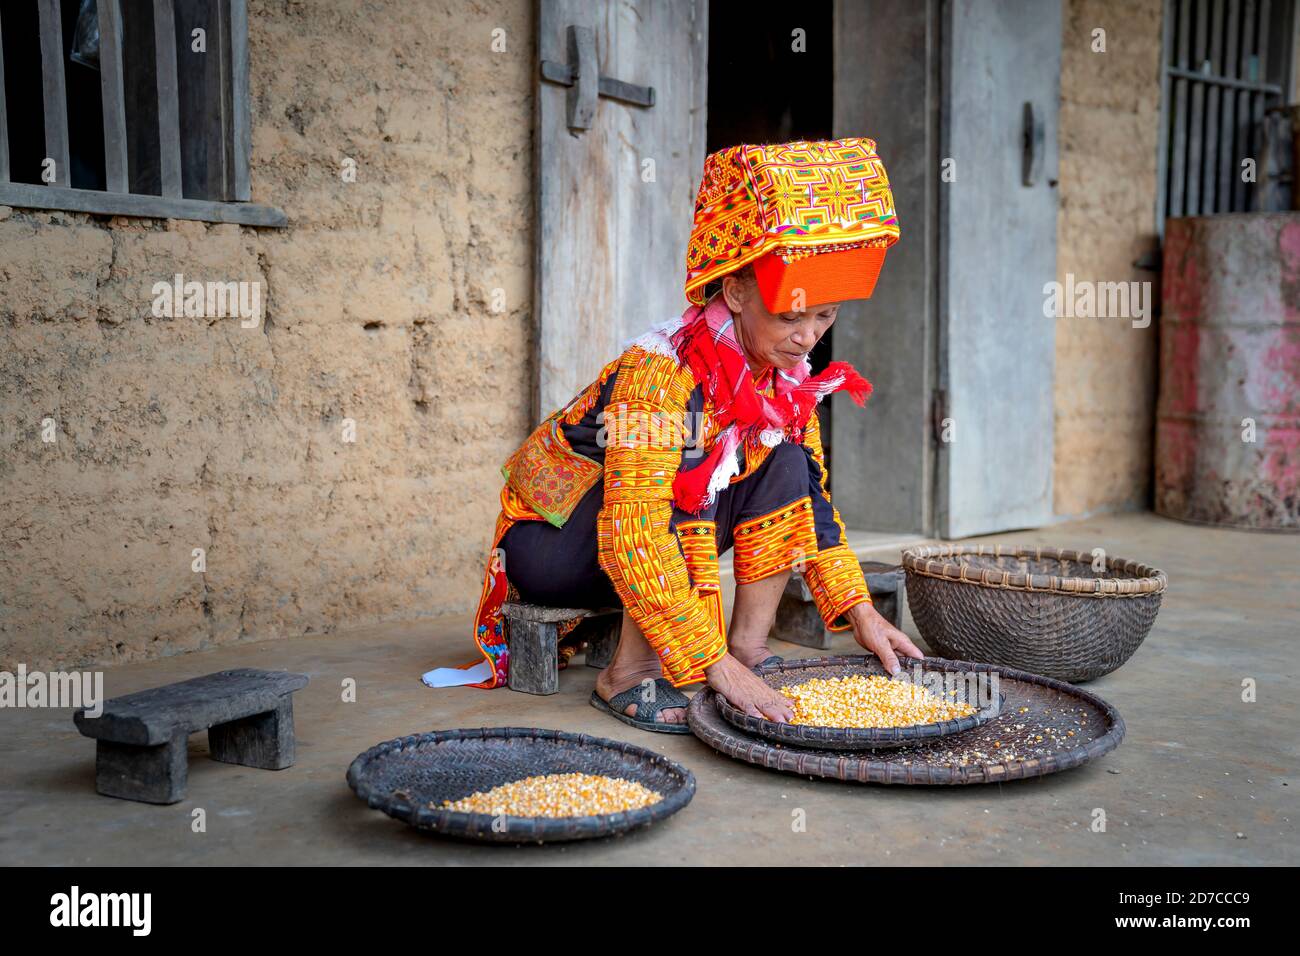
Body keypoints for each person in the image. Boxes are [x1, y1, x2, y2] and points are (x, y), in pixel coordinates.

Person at [463, 138, 923, 732]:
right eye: (790, 316)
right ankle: (627, 674)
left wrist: (858, 608)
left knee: (786, 464)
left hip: (634, 533)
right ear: (734, 292)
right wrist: (707, 665)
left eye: (825, 316)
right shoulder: (659, 373)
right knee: (688, 465)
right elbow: (635, 528)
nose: (809, 336)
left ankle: (750, 650)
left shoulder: (784, 380)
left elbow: (813, 501)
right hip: (556, 545)